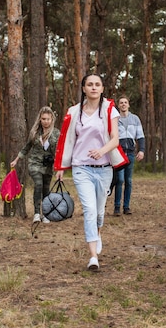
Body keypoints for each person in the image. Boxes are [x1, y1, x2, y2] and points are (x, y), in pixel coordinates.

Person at [54, 73, 128, 271]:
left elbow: (115, 139)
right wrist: (61, 167)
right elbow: (67, 141)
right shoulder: (74, 112)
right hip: (81, 168)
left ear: (102, 89)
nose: (94, 87)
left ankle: (97, 233)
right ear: (84, 88)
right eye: (90, 84)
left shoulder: (109, 110)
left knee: (99, 213)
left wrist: (101, 151)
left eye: (97, 84)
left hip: (104, 169)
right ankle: (93, 256)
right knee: (89, 210)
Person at [10, 107, 60, 224]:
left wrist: (59, 167)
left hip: (48, 165)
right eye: (43, 119)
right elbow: (26, 147)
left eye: (48, 119)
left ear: (52, 119)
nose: (46, 121)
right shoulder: (34, 133)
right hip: (35, 163)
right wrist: (16, 160)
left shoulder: (56, 133)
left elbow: (59, 151)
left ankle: (46, 213)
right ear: (40, 119)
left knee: (46, 189)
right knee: (38, 184)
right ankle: (37, 213)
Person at [113, 95, 146, 216]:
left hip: (131, 153)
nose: (123, 104)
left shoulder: (135, 119)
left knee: (128, 180)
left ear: (128, 104)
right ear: (118, 105)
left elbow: (140, 136)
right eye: (121, 102)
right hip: (119, 153)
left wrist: (141, 150)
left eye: (125, 102)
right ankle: (117, 207)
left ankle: (126, 207)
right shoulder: (115, 119)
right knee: (120, 180)